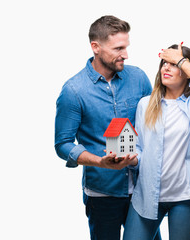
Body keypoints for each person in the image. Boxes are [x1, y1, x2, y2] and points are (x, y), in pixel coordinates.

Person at [54, 15, 161, 240]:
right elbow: (63, 144)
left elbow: (154, 125)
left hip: (142, 190)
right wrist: (99, 162)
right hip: (102, 194)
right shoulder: (74, 90)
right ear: (96, 47)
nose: (125, 54)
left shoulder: (138, 77)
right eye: (118, 48)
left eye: (126, 46)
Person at [123, 43, 190, 240]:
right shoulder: (145, 104)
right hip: (147, 194)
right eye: (164, 63)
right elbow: (140, 149)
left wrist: (179, 59)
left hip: (186, 197)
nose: (166, 67)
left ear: (185, 70)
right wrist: (131, 159)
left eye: (173, 64)